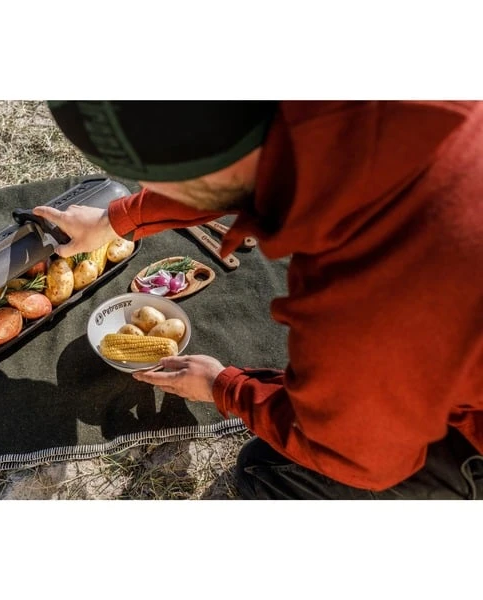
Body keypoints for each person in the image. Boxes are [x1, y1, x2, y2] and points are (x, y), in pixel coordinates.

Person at [33, 101, 483, 499]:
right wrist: (118, 219)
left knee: (265, 470)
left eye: (166, 180)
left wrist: (225, 387)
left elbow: (364, 458)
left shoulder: (362, 294)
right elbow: (251, 167)